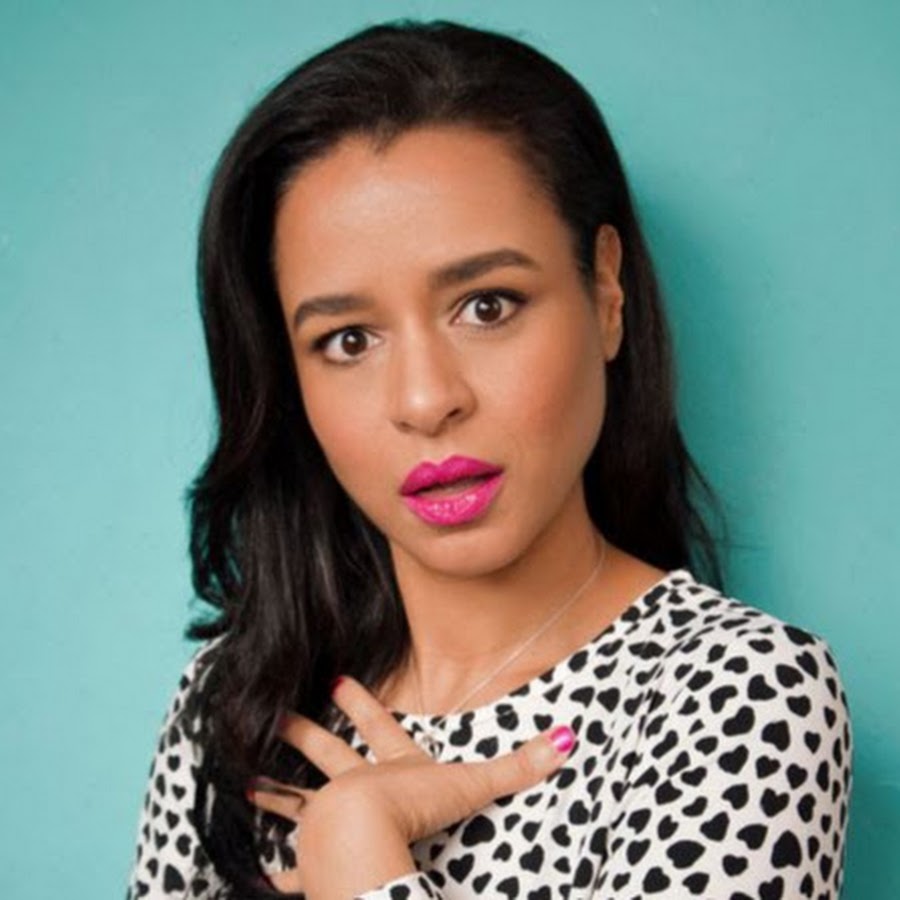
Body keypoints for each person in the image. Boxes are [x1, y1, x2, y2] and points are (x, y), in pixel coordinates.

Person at [126, 19, 851, 900]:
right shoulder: (234, 701)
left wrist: (361, 858)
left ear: (606, 290)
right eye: (348, 339)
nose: (426, 399)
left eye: (487, 306)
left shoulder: (740, 697)